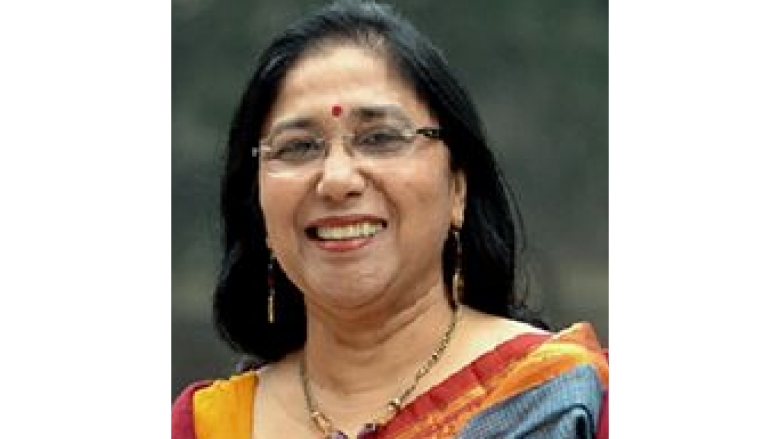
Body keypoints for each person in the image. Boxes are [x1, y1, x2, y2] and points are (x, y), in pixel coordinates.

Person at [172, 1, 608, 437]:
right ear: (258, 203)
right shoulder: (209, 425)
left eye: (380, 138)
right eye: (298, 146)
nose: (337, 179)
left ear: (457, 188)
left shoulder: (574, 403)